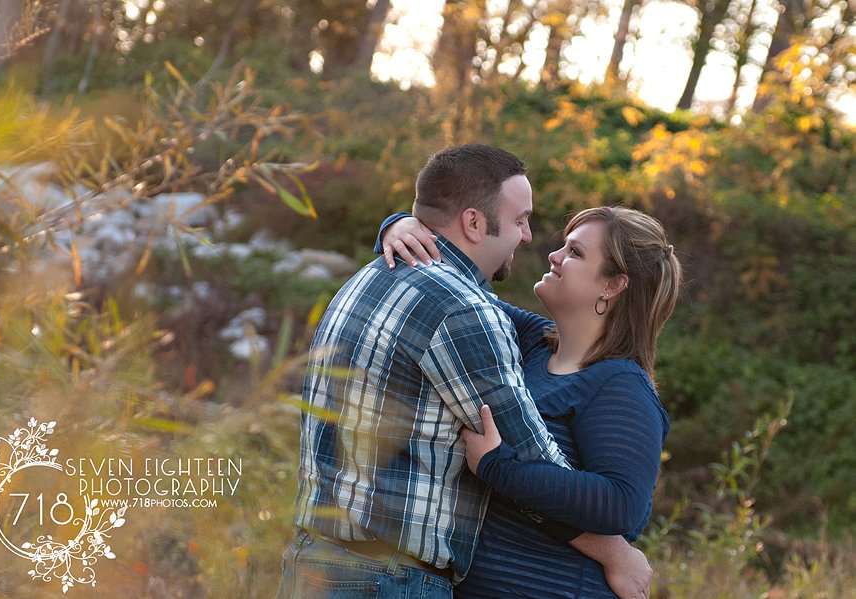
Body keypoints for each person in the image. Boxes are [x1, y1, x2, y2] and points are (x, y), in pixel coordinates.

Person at [277, 144, 652, 599]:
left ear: (614, 285)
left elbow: (613, 500)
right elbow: (529, 461)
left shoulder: (374, 276)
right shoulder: (476, 318)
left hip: (319, 559)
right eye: (520, 221)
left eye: (573, 252)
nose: (535, 241)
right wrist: (614, 552)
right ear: (474, 222)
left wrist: (403, 224)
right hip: (383, 576)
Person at [380, 205, 681, 597]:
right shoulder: (532, 342)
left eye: (574, 253)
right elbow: (450, 290)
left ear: (613, 285)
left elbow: (623, 504)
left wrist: (498, 467)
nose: (554, 256)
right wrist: (399, 226)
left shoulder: (620, 384)